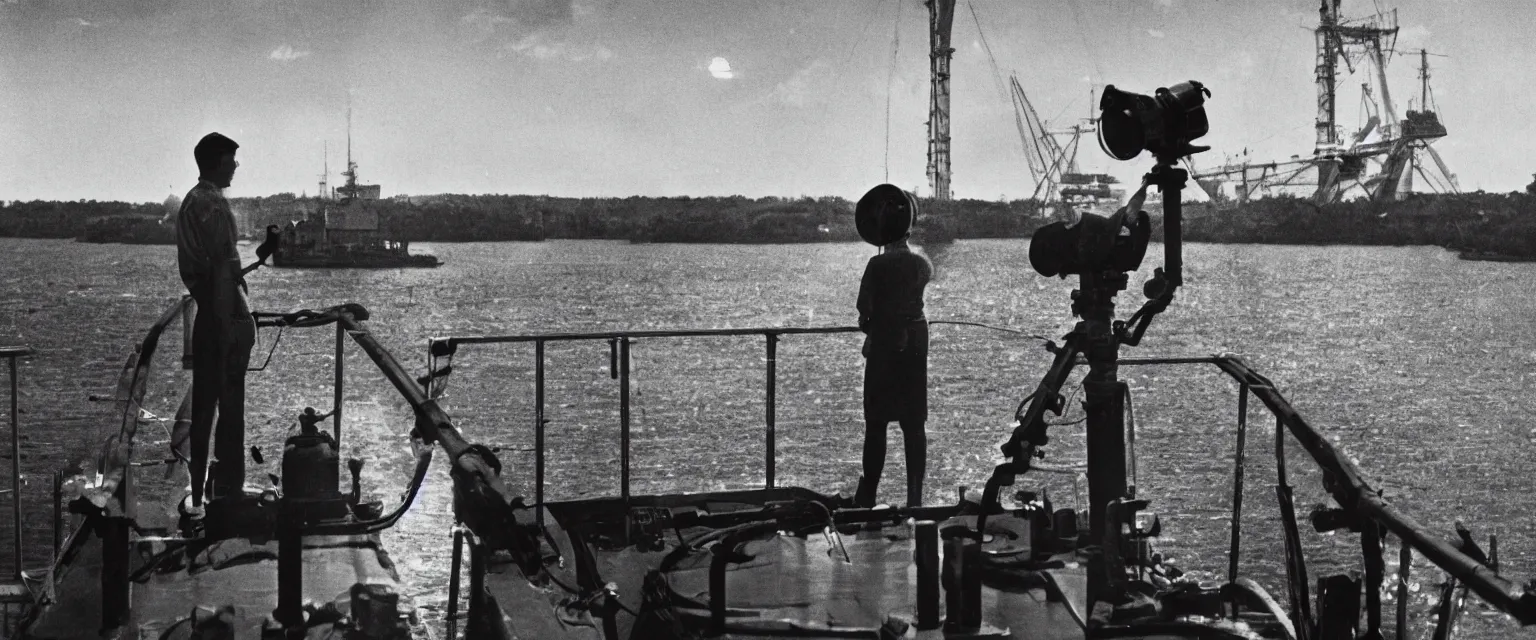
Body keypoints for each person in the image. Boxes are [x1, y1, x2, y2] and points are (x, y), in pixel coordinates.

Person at [176, 132, 256, 515]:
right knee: (228, 411)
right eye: (231, 160)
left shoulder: (193, 202)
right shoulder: (214, 206)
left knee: (204, 409)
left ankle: (197, 494)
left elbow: (213, 270)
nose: (236, 166)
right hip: (220, 317)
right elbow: (223, 271)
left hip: (208, 314)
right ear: (217, 161)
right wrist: (228, 327)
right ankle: (229, 494)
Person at [854, 229, 933, 508]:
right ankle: (915, 499)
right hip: (914, 344)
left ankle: (869, 496)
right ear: (908, 232)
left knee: (876, 423)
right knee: (914, 425)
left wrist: (873, 323)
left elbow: (863, 306)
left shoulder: (877, 264)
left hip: (884, 346)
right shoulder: (923, 264)